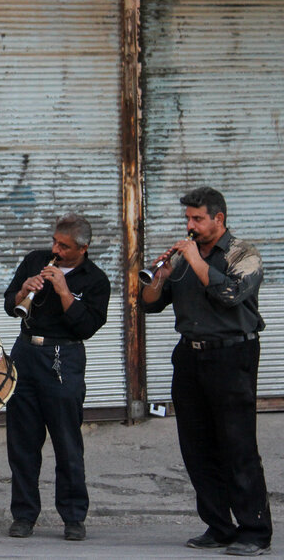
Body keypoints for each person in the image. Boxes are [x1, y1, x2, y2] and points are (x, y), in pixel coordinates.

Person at [141, 187, 272, 556]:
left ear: (219, 219)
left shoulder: (242, 254)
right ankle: (219, 525)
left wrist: (194, 260)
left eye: (197, 219)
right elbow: (149, 305)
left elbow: (230, 294)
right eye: (188, 219)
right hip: (190, 356)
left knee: (238, 445)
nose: (190, 226)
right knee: (196, 446)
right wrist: (161, 275)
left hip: (233, 355)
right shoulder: (184, 258)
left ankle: (254, 531)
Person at [3, 213, 110, 542]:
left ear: (83, 248)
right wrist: (24, 289)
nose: (56, 250)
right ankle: (23, 515)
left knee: (66, 442)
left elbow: (86, 327)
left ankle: (74, 516)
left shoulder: (95, 280)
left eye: (64, 246)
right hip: (25, 352)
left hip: (64, 357)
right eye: (54, 242)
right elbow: (10, 305)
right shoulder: (35, 261)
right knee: (22, 442)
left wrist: (64, 290)